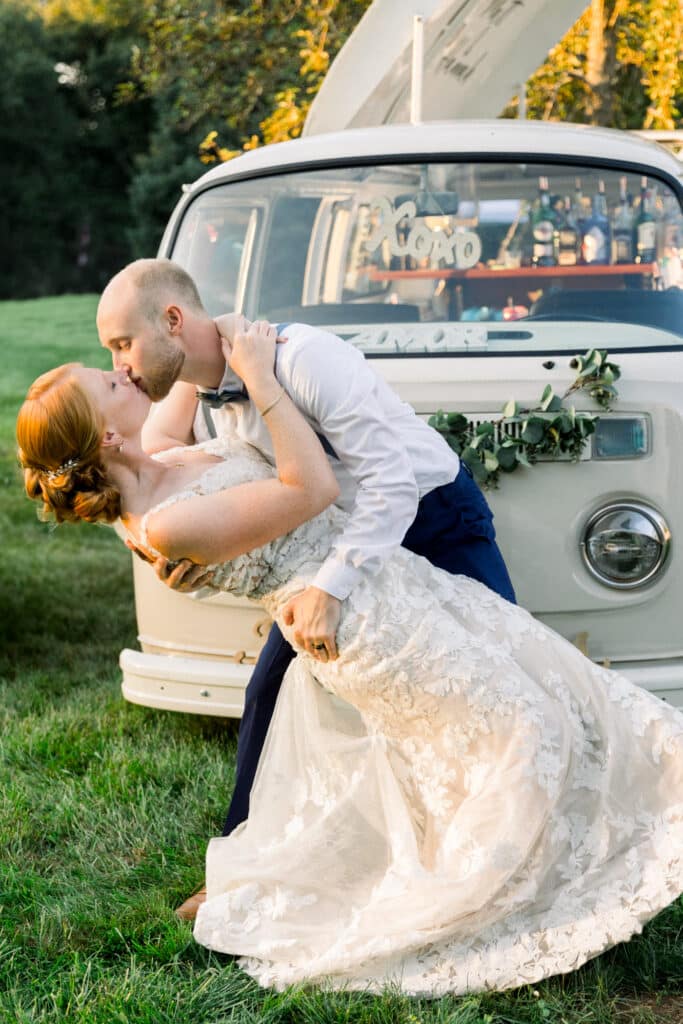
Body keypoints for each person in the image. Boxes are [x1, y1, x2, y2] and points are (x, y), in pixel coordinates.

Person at [16, 333, 683, 997]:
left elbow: (179, 375)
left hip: (395, 585)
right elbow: (309, 487)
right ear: (105, 439)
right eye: (107, 383)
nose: (121, 372)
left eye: (117, 357)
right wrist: (260, 377)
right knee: (521, 728)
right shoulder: (163, 528)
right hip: (358, 623)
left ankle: (544, 862)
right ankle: (496, 896)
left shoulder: (154, 460)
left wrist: (187, 337)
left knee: (523, 708)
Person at [95, 258, 516, 919]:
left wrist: (331, 587)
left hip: (435, 521)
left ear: (172, 320)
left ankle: (502, 858)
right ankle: (238, 869)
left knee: (499, 686)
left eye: (122, 343)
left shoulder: (305, 359)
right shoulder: (202, 385)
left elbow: (392, 484)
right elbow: (157, 479)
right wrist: (175, 553)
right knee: (269, 692)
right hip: (332, 542)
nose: (119, 365)